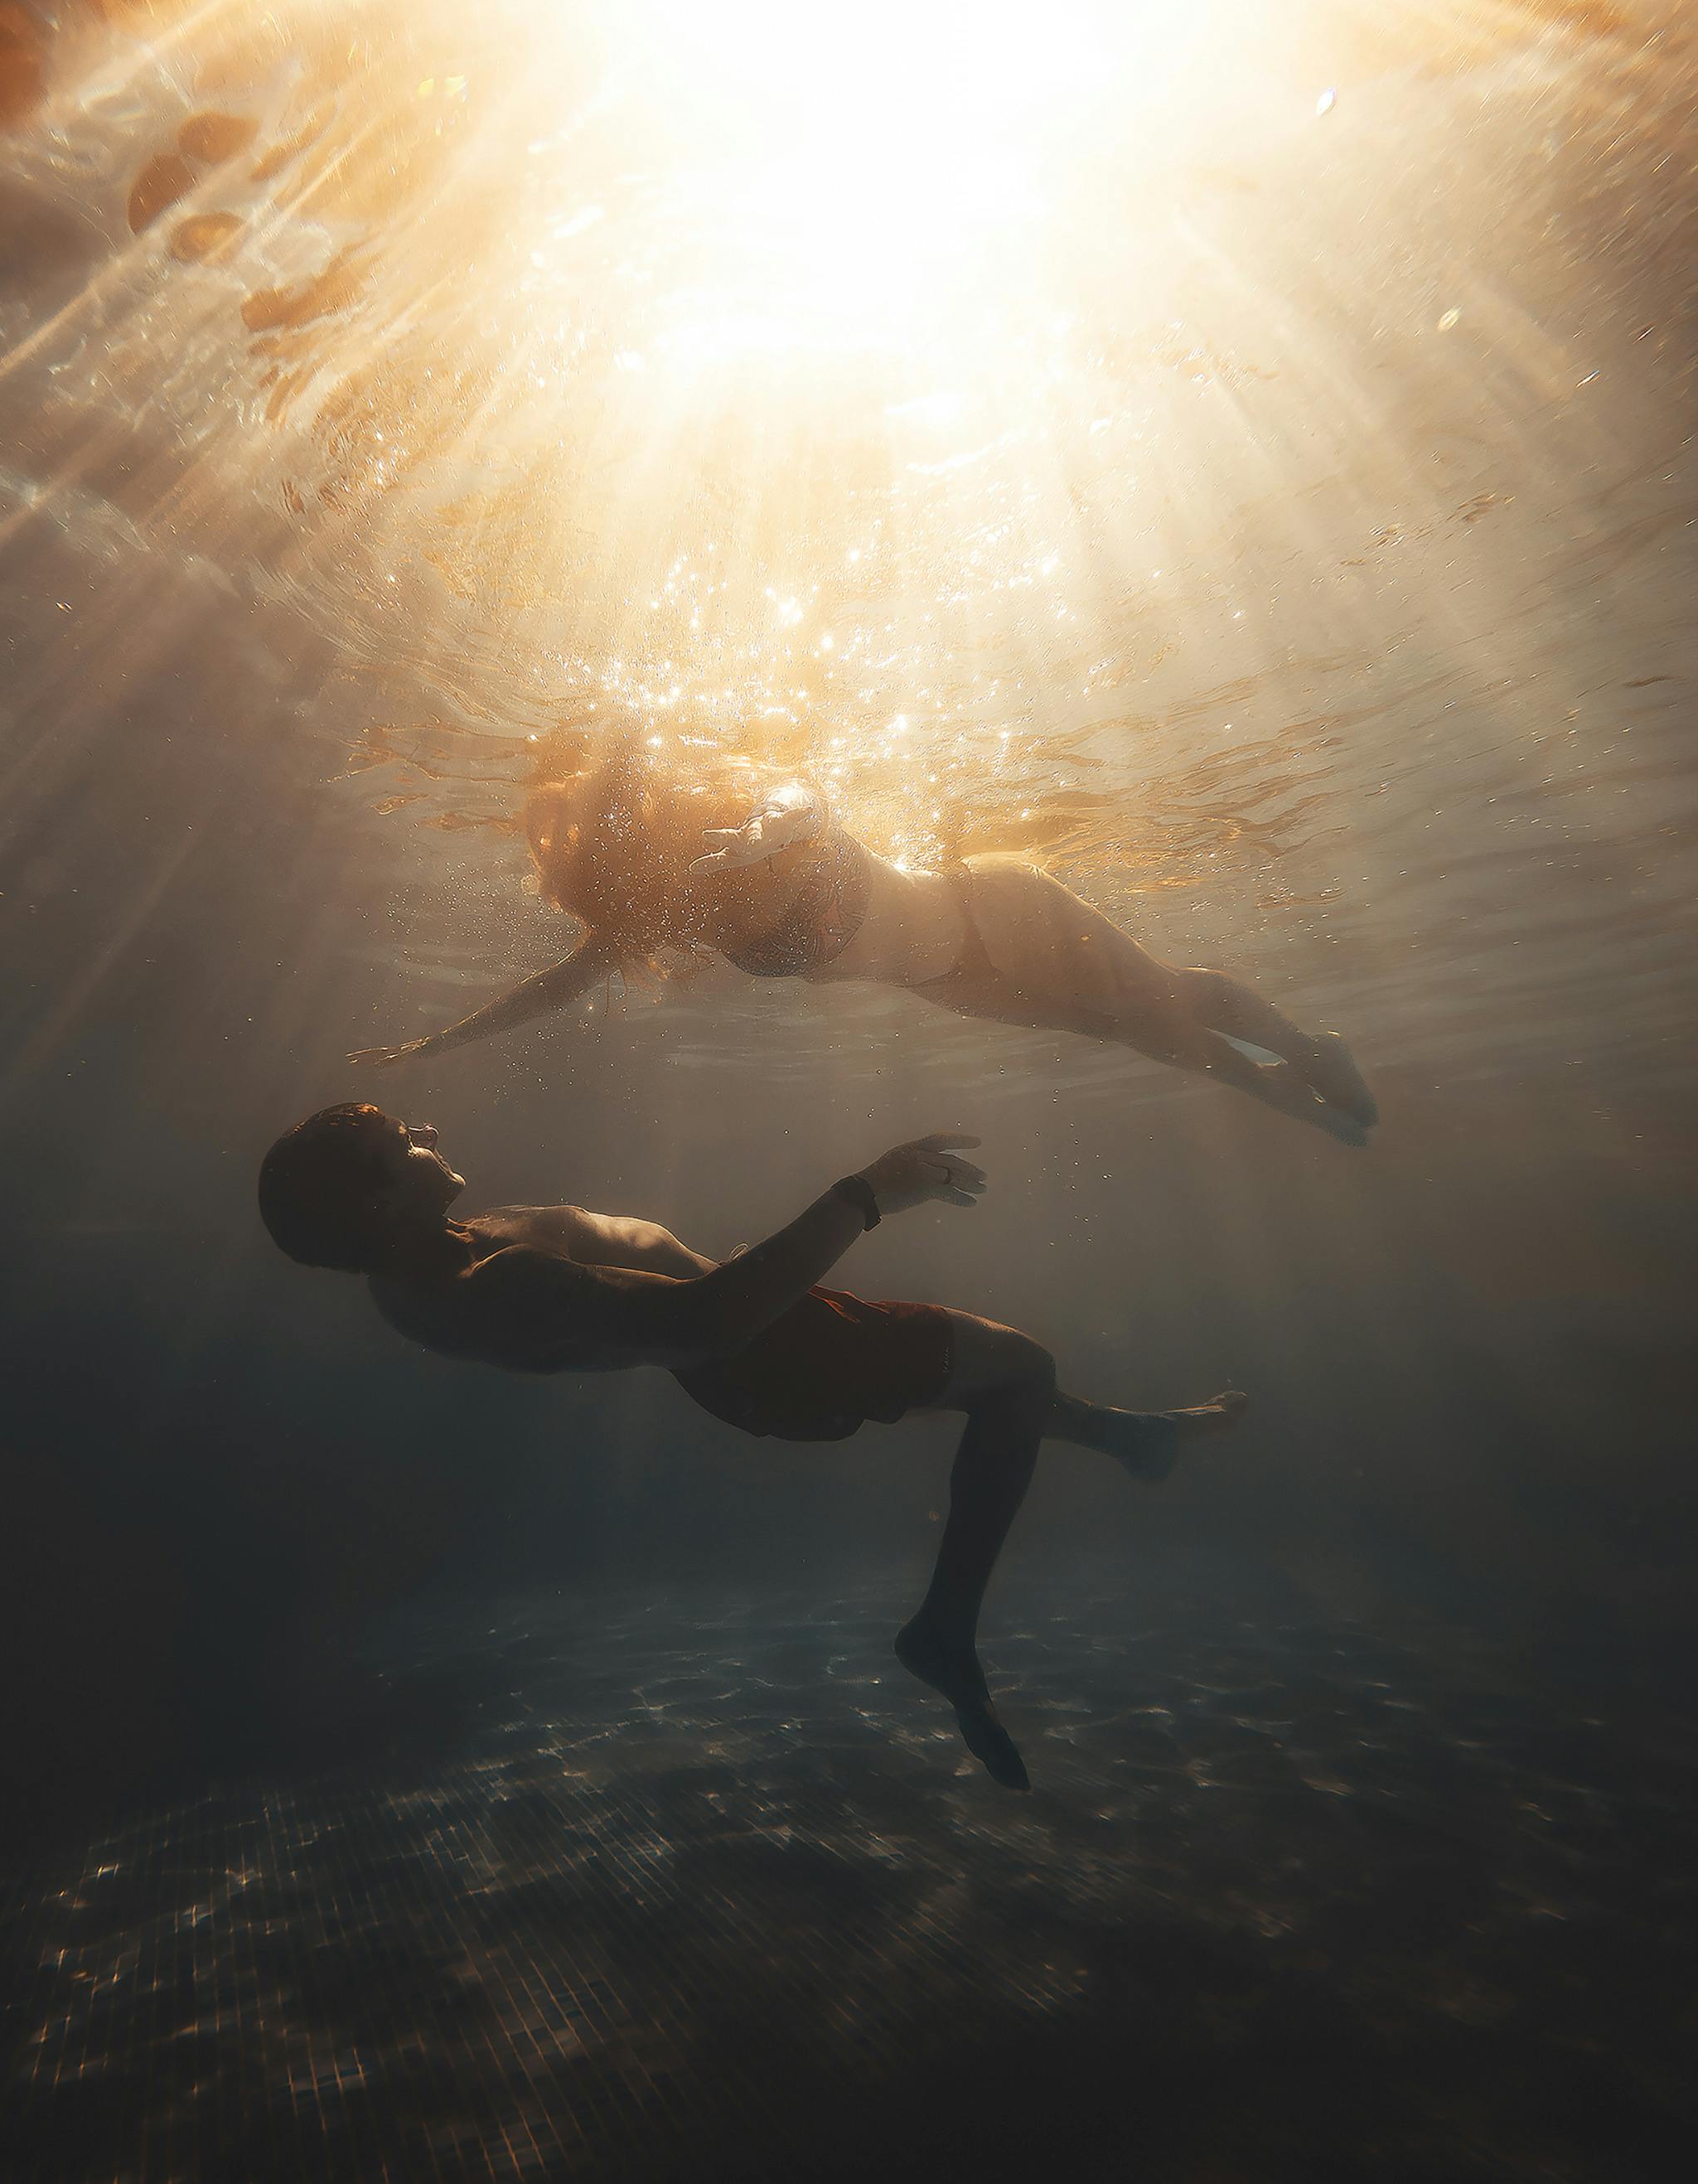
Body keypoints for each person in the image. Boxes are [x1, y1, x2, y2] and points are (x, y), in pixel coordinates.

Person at [258, 1102, 1248, 1791]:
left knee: (984, 1384)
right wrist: (867, 1193)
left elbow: (649, 1305)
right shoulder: (487, 1286)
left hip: (759, 1349)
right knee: (1022, 1371)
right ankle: (946, 1629)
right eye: (403, 1141)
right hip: (770, 1355)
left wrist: (700, 1279)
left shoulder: (424, 1258)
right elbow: (700, 1328)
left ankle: (1131, 1438)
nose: (425, 1131)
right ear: (381, 1202)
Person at [350, 745, 1378, 1143]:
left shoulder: (739, 823)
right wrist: (436, 1047)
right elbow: (556, 988)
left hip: (993, 911)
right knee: (1142, 1034)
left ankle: (1301, 1068)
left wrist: (768, 828)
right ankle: (1296, 1073)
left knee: (1162, 1002)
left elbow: (805, 793)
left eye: (634, 830)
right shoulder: (670, 912)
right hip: (948, 980)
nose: (643, 858)